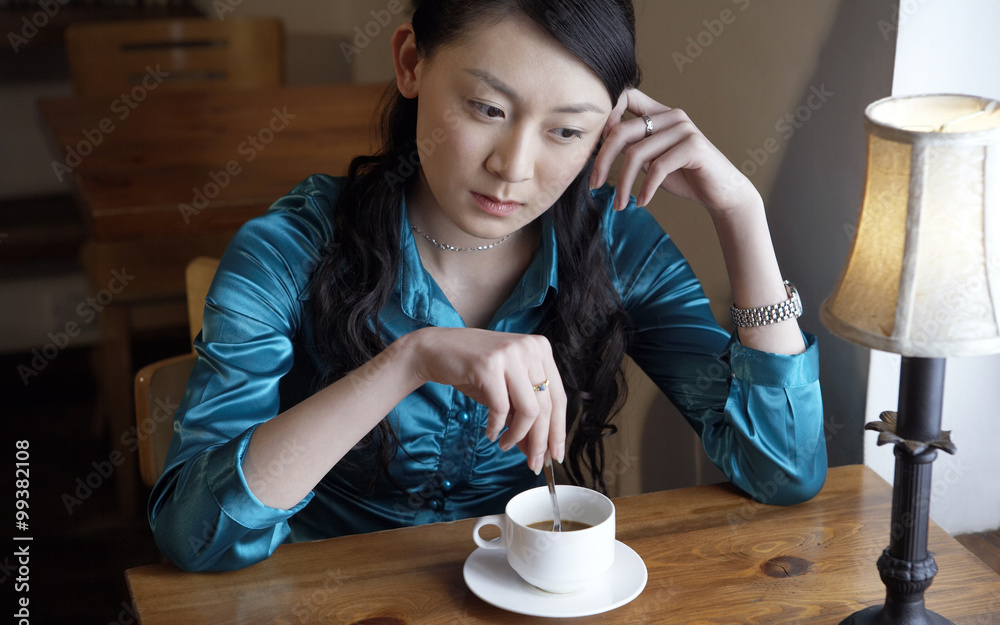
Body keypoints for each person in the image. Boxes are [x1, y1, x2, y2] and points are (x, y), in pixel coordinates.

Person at [149, 0, 827, 572]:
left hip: (518, 616)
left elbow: (782, 471)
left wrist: (739, 210)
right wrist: (411, 359)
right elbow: (194, 533)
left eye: (566, 130)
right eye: (486, 108)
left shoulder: (616, 244)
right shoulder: (291, 249)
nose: (514, 167)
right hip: (320, 617)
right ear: (411, 62)